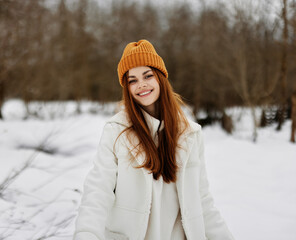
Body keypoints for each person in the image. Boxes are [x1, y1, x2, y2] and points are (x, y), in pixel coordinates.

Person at [73, 39, 234, 240]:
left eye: (147, 75)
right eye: (132, 80)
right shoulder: (116, 132)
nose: (141, 85)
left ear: (160, 78)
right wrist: (86, 234)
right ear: (127, 88)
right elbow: (98, 192)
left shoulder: (190, 135)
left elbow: (202, 202)